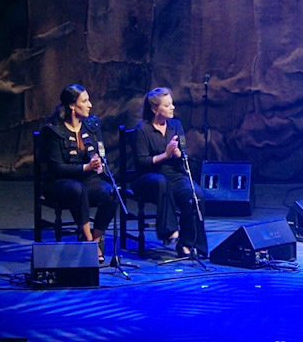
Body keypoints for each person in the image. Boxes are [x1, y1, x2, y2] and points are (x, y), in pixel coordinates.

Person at [39, 84, 117, 263]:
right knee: (77, 189)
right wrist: (85, 167)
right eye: (85, 101)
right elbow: (56, 167)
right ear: (72, 105)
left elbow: (99, 152)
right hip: (59, 182)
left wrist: (98, 164)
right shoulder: (53, 130)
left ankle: (96, 238)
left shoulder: (91, 126)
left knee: (111, 193)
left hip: (86, 179)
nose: (90, 105)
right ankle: (88, 241)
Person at [133, 87, 209, 257]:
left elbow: (183, 155)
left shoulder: (176, 126)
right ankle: (169, 231)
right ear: (155, 109)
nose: (172, 107)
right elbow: (142, 162)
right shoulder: (142, 129)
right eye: (167, 105)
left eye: (172, 104)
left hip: (173, 175)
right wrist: (165, 155)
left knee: (195, 194)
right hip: (147, 177)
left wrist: (177, 153)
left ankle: (187, 243)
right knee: (161, 182)